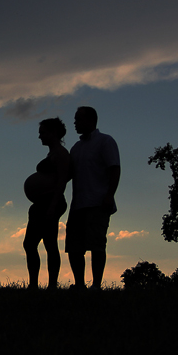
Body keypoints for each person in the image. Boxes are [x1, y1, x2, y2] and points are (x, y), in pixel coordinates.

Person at [66, 106, 120, 289]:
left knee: (97, 245)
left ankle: (96, 285)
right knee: (74, 247)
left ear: (90, 120)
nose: (75, 123)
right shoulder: (76, 148)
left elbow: (114, 168)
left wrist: (109, 196)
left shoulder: (105, 141)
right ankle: (80, 285)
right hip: (78, 204)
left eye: (78, 119)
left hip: (98, 201)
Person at [23, 117, 70, 289]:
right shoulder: (53, 153)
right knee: (35, 244)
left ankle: (49, 286)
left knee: (46, 244)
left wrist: (52, 206)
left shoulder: (61, 154)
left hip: (49, 202)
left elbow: (62, 181)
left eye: (43, 133)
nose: (40, 137)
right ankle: (36, 285)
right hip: (43, 203)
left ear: (54, 133)